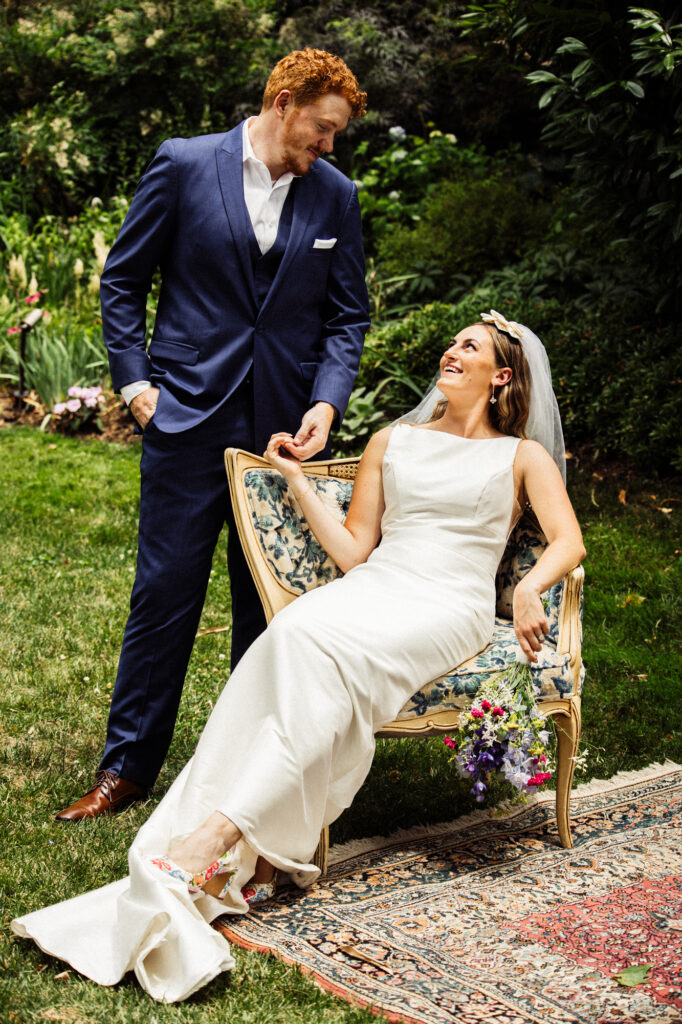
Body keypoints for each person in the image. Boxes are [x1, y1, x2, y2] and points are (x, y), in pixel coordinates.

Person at [13, 313, 585, 1002]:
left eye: (470, 346)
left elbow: (567, 541)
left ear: (500, 376)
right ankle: (240, 846)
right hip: (377, 586)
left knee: (331, 657)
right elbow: (353, 552)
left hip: (445, 607)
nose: (451, 350)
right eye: (453, 341)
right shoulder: (391, 440)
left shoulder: (520, 455)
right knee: (292, 638)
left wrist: (527, 587)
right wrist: (297, 479)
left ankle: (217, 835)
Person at [55, 49, 370, 821]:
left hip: (284, 438)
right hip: (186, 417)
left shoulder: (336, 195)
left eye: (335, 138)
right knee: (164, 594)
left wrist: (326, 403)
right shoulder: (184, 165)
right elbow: (124, 279)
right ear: (286, 101)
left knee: (270, 607)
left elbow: (347, 316)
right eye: (322, 130)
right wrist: (137, 387)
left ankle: (249, 775)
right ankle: (125, 769)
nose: (327, 148)